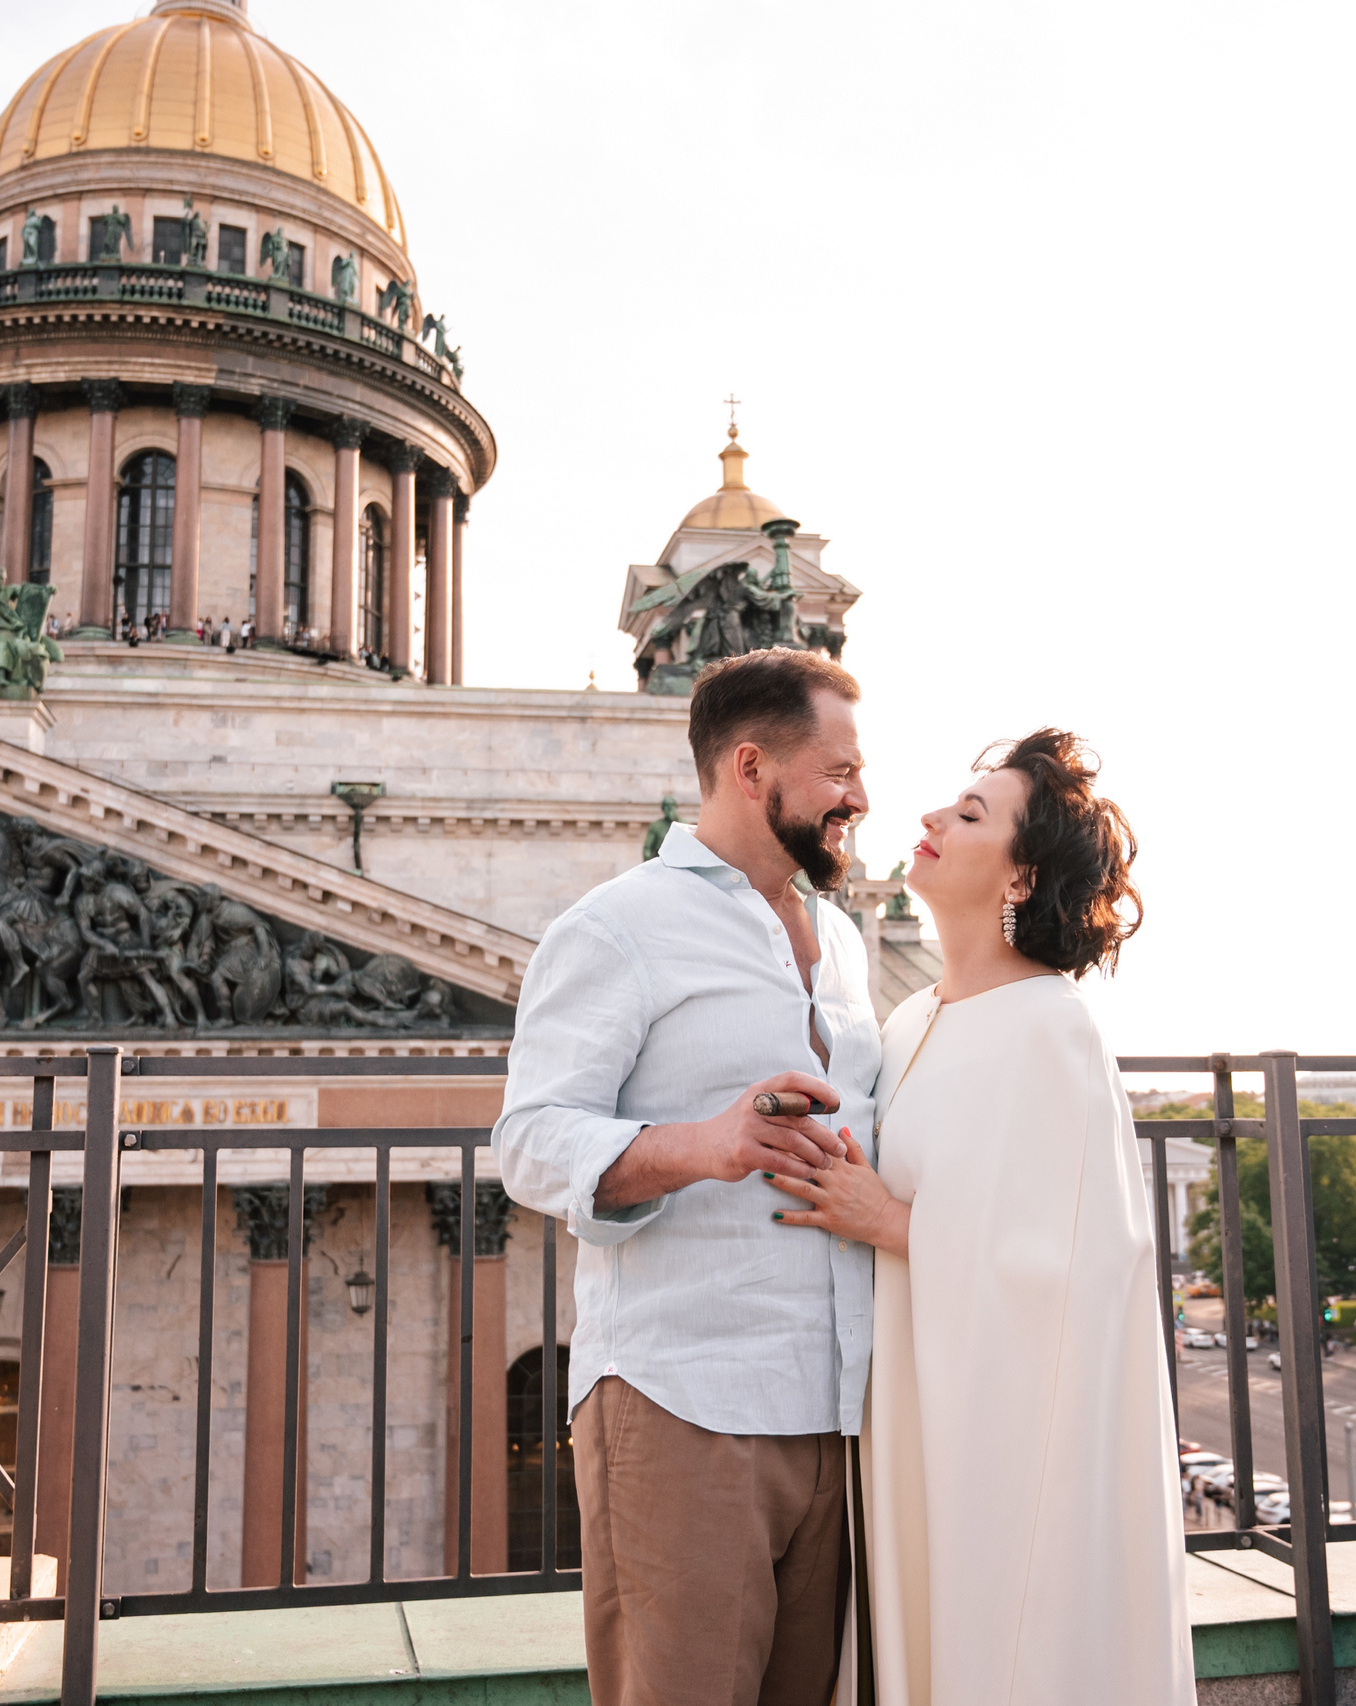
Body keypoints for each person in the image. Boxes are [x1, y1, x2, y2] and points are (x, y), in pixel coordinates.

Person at [767, 729, 1194, 1705]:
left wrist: (893, 1223)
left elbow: (1086, 1272)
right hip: (920, 1419)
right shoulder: (914, 1018)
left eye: (969, 815)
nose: (926, 818)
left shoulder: (1052, 1024)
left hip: (1007, 1450)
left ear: (1022, 874)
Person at [496, 647, 881, 1706]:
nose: (860, 795)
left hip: (836, 1416)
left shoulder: (843, 941)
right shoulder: (618, 925)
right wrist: (703, 1144)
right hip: (683, 1407)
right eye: (839, 769)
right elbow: (529, 1138)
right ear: (751, 767)